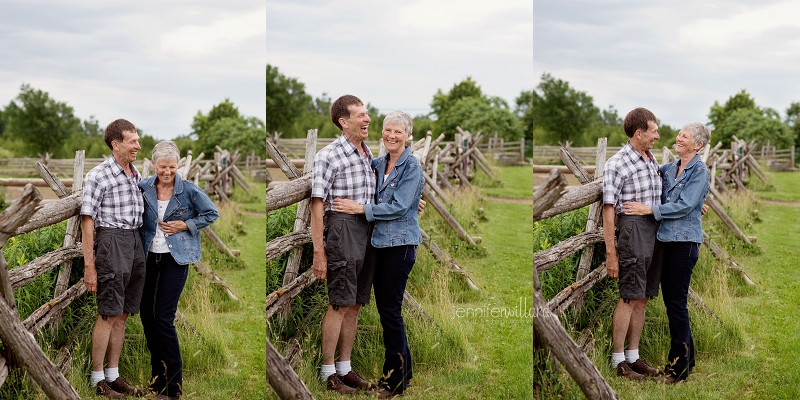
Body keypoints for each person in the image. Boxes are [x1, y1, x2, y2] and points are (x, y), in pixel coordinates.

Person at [333, 110, 424, 398]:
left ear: (408, 136)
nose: (392, 136)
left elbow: (397, 206)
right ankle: (404, 374)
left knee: (390, 311)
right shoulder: (377, 163)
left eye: (398, 132)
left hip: (400, 246)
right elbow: (367, 188)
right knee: (389, 311)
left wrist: (362, 209)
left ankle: (394, 383)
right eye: (387, 130)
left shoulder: (411, 167)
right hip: (379, 244)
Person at [622, 122, 711, 384]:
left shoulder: (700, 171)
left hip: (684, 244)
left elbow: (684, 205)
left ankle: (678, 371)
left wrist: (650, 210)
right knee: (675, 304)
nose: (678, 137)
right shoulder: (669, 168)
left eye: (685, 136)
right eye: (680, 133)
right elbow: (650, 181)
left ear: (698, 145)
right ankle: (688, 361)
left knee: (676, 304)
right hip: (666, 241)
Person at [138, 141, 219, 399]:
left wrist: (186, 225)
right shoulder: (143, 187)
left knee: (163, 317)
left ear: (178, 165)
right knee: (147, 318)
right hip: (149, 258)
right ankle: (156, 379)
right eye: (162, 167)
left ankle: (174, 387)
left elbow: (211, 213)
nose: (167, 172)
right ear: (154, 165)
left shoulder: (189, 190)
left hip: (176, 260)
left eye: (172, 167)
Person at [311, 94, 379, 394]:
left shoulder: (367, 153)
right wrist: (319, 253)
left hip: (368, 231)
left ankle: (345, 368)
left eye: (367, 114)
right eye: (361, 115)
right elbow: (317, 205)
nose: (367, 119)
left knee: (355, 304)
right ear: (344, 121)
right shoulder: (329, 156)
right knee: (339, 303)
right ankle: (328, 374)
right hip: (342, 229)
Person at [81, 118, 148, 398]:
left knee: (122, 313)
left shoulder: (134, 174)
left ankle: (114, 375)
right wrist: (90, 266)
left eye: (137, 140)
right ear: (115, 144)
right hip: (111, 242)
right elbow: (87, 220)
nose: (138, 145)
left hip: (134, 241)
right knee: (108, 312)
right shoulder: (98, 176)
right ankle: (98, 381)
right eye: (133, 141)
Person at [602, 107, 664, 380]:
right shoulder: (617, 164)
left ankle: (634, 356)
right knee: (629, 295)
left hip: (654, 231)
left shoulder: (651, 159)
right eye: (653, 131)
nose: (658, 136)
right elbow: (608, 210)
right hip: (632, 232)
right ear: (639, 133)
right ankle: (618, 362)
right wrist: (611, 254)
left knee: (643, 297)